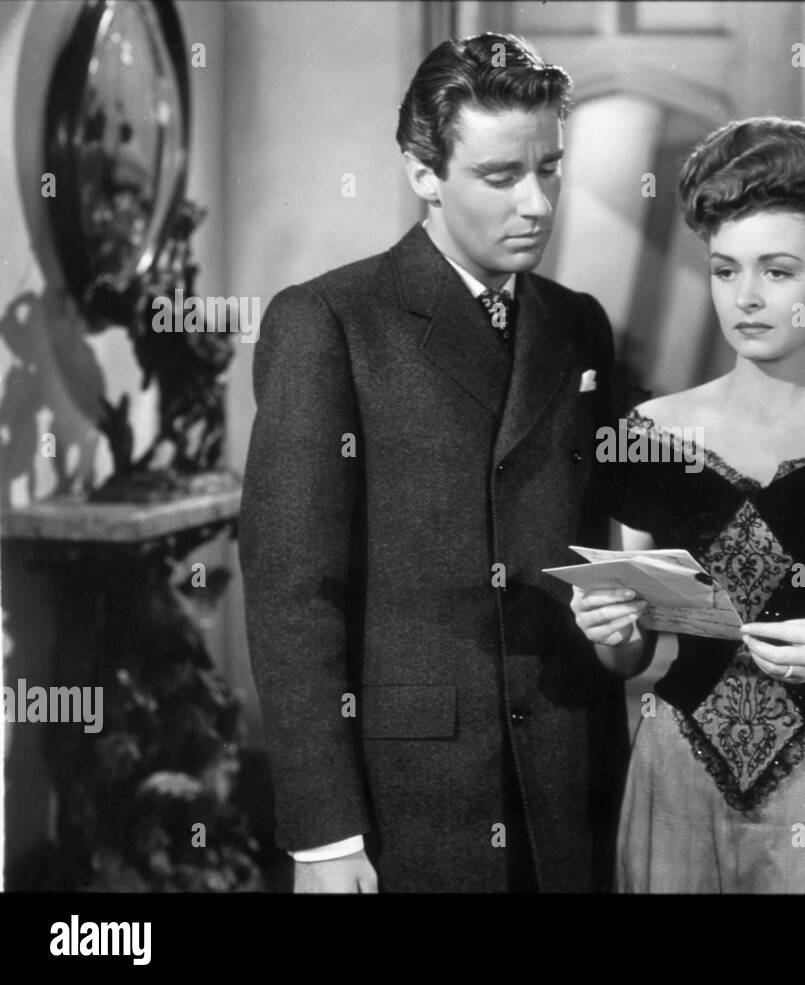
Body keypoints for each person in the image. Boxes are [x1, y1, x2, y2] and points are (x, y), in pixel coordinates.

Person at [241, 33, 625, 892]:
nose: (537, 203)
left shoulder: (580, 325)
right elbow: (292, 596)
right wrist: (324, 837)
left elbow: (598, 552)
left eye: (550, 168)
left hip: (568, 781)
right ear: (423, 172)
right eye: (501, 176)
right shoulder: (329, 321)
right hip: (408, 799)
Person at [571, 117, 805, 893]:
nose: (746, 298)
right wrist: (612, 631)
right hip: (676, 774)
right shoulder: (647, 434)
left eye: (777, 271)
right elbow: (629, 654)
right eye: (724, 269)